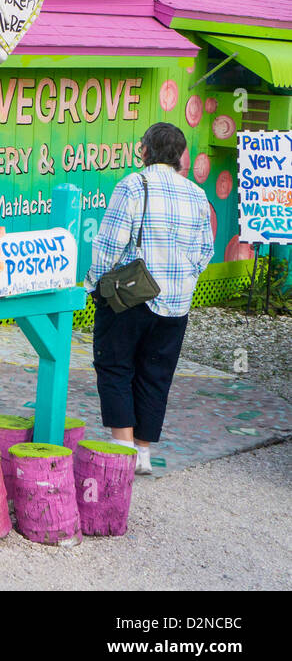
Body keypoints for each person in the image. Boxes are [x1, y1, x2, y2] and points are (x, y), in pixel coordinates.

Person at [85, 122, 213, 474]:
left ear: (144, 150)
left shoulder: (132, 185)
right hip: (177, 304)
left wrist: (93, 283)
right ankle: (142, 453)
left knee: (115, 365)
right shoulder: (197, 195)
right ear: (180, 156)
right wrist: (183, 279)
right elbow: (206, 250)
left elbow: (110, 244)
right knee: (156, 374)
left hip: (130, 299)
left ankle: (123, 449)